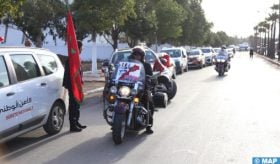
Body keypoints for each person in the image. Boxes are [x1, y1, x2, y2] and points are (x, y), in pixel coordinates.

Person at [129, 46, 155, 134]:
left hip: (141, 88)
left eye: (138, 55)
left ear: (142, 56)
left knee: (149, 102)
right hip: (129, 87)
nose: (137, 56)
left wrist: (149, 79)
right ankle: (116, 122)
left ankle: (148, 125)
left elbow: (150, 77)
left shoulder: (146, 65)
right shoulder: (129, 65)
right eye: (135, 55)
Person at [63, 40, 86, 132]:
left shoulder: (77, 58)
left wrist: (80, 80)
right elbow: (70, 74)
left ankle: (76, 122)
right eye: (81, 48)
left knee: (77, 105)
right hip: (72, 85)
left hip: (76, 85)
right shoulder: (71, 59)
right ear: (77, 48)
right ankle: (72, 125)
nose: (82, 49)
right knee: (73, 105)